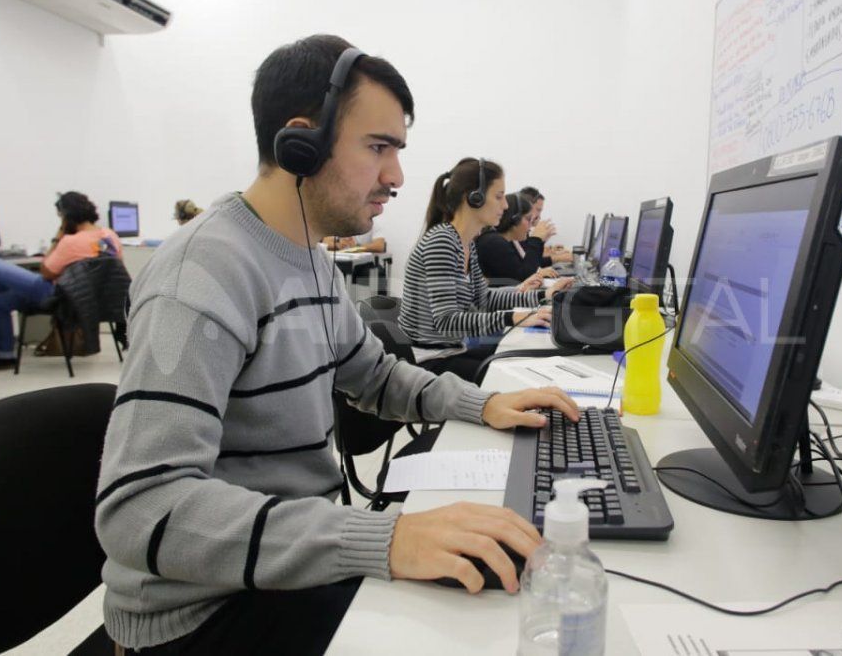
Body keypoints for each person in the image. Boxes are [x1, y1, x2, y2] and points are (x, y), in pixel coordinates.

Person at [94, 35, 578, 655]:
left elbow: (374, 375)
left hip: (284, 569)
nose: (397, 176)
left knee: (492, 597)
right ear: (302, 142)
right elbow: (140, 507)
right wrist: (381, 539)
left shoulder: (309, 262)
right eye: (378, 148)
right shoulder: (202, 275)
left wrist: (478, 403)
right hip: (202, 614)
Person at [398, 157, 573, 382]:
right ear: (474, 197)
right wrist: (515, 317)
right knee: (519, 382)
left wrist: (541, 295)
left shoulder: (467, 242)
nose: (506, 205)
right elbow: (447, 321)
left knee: (529, 362)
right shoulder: (441, 241)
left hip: (451, 352)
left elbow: (483, 299)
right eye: (499, 197)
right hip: (430, 363)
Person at [0, 191, 121, 366]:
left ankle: (5, 354)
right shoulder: (110, 236)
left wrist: (59, 236)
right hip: (94, 300)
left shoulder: (71, 242)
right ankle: (4, 354)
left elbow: (46, 272)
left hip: (60, 297)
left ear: (66, 217)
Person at [475, 193, 560, 286]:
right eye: (528, 219)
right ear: (514, 220)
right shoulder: (493, 242)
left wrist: (540, 241)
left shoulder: (505, 240)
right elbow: (525, 277)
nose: (531, 225)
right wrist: (536, 239)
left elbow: (529, 265)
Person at [518, 186, 572, 264]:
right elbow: (529, 265)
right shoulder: (517, 234)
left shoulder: (525, 232)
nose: (539, 216)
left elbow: (532, 260)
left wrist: (542, 242)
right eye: (538, 210)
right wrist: (537, 239)